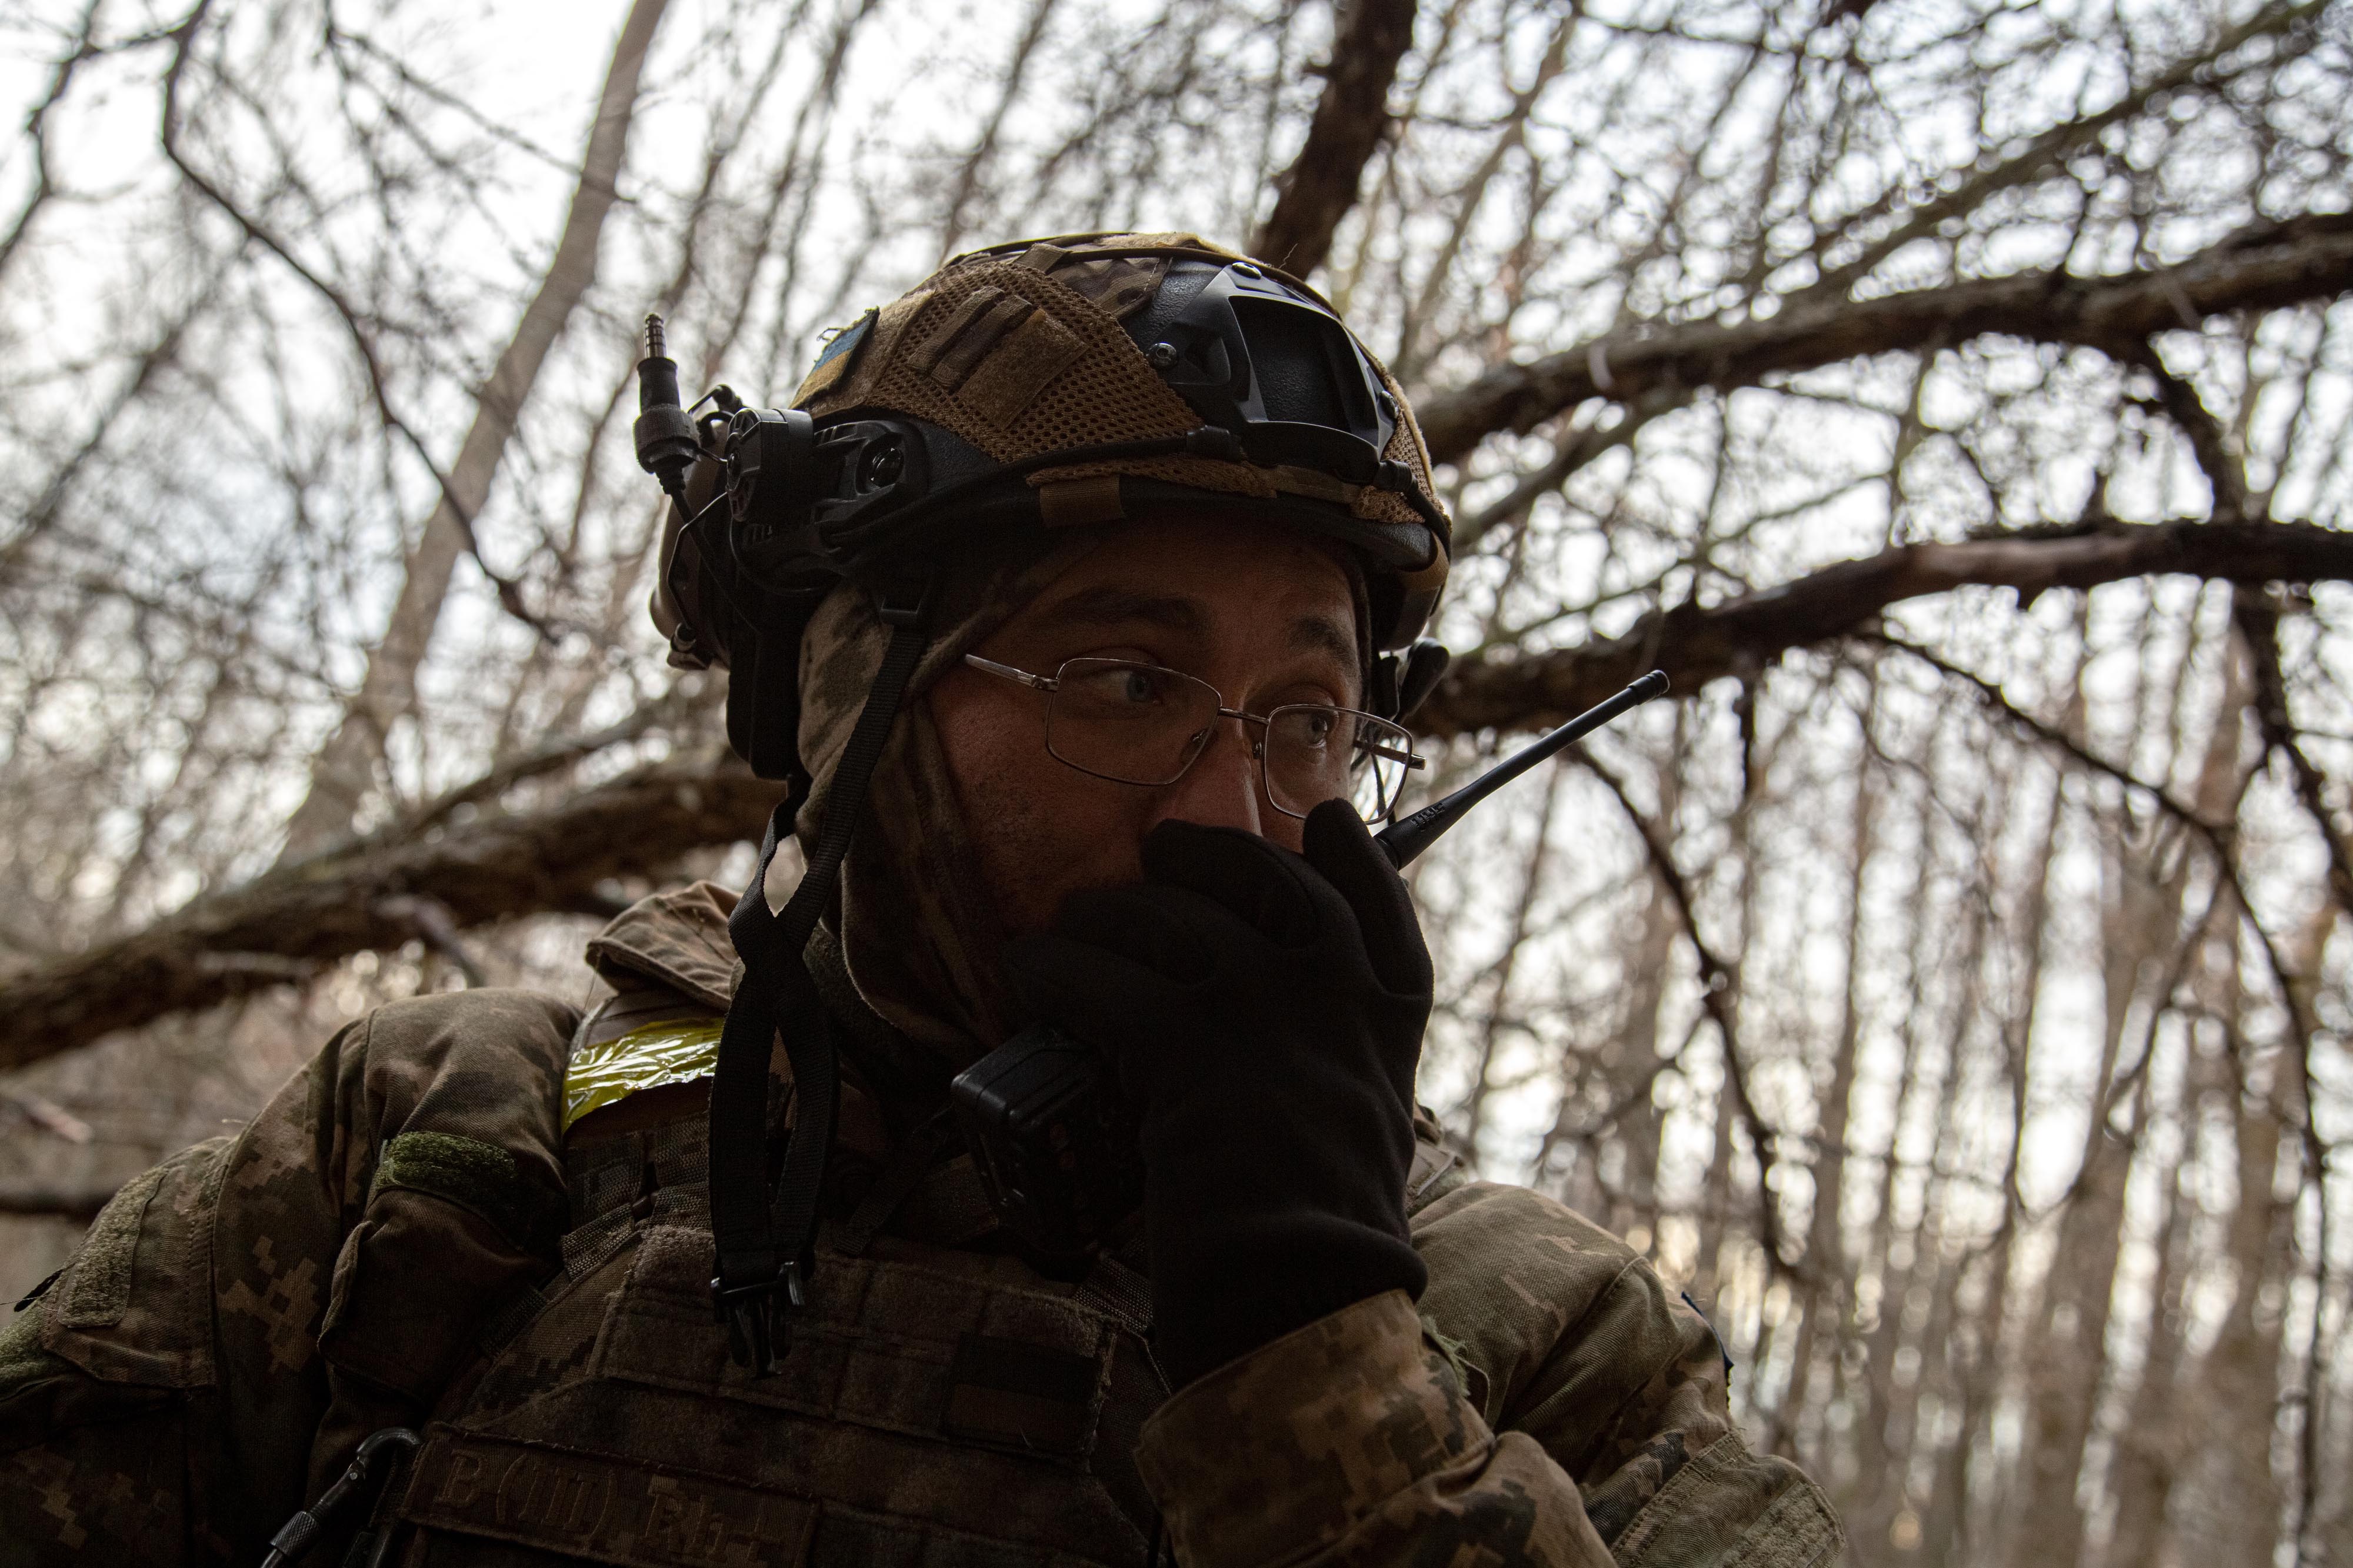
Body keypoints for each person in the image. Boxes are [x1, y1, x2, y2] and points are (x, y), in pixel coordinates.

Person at [0, 233, 1845, 1567]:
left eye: (1306, 721)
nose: (1242, 816)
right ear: (845, 698)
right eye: (1124, 683)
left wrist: (1317, 1359)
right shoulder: (436, 1144)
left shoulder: (1539, 1329)